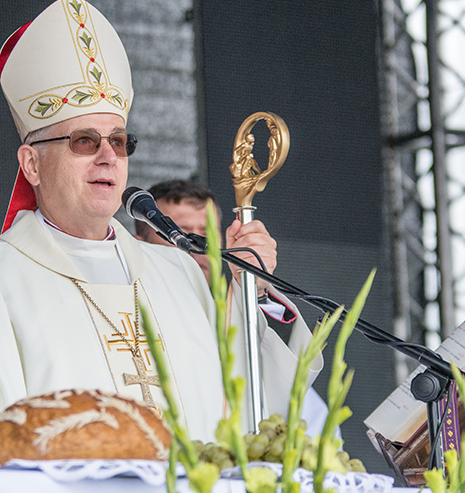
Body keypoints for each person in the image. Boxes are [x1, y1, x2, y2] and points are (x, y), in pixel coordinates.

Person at [0, 0, 321, 471]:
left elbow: (255, 413)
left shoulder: (177, 272)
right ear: (31, 164)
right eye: (84, 141)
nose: (108, 157)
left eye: (119, 141)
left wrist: (252, 291)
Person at [134, 179, 331, 438]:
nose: (195, 244)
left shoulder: (234, 312)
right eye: (179, 233)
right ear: (139, 242)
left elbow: (278, 388)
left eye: (207, 233)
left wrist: (257, 291)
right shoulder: (125, 311)